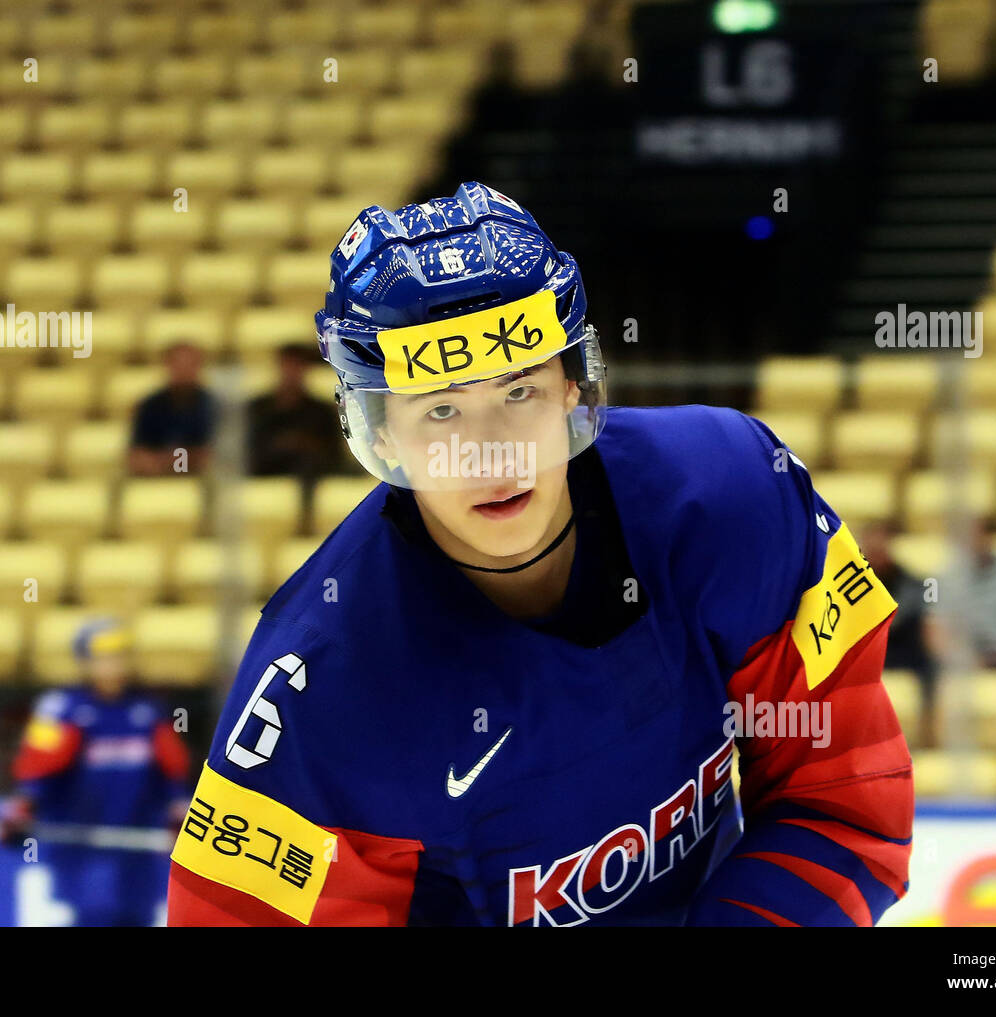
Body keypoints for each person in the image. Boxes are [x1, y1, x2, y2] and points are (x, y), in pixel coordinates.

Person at [167, 182, 913, 927]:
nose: (490, 453)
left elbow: (846, 805)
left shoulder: (734, 494)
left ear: (569, 386)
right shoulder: (317, 689)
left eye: (517, 391)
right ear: (381, 433)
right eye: (442, 409)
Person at [0, 618, 190, 925]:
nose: (112, 667)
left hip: (136, 849)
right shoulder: (60, 709)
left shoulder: (148, 710)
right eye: (102, 659)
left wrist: (178, 810)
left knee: (135, 917)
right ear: (84, 662)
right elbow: (36, 773)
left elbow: (172, 774)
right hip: (81, 846)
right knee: (93, 917)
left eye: (119, 657)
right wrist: (22, 807)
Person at [857, 519, 940, 745]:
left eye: (881, 545)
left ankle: (929, 731)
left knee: (933, 664)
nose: (876, 551)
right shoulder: (844, 583)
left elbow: (928, 614)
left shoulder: (918, 584)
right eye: (870, 546)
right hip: (863, 649)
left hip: (902, 649)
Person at [244, 343, 346, 480]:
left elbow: (333, 453)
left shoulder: (320, 411)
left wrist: (303, 443)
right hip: (265, 468)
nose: (291, 373)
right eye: (287, 366)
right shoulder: (257, 408)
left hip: (311, 472)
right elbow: (249, 449)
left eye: (297, 366)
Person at [128, 341, 217, 475]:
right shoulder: (150, 406)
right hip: (156, 481)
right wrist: (182, 460)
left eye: (189, 365)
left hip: (202, 481)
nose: (183, 370)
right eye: (178, 365)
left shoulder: (213, 406)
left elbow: (213, 457)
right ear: (167, 366)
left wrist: (167, 460)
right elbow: (138, 456)